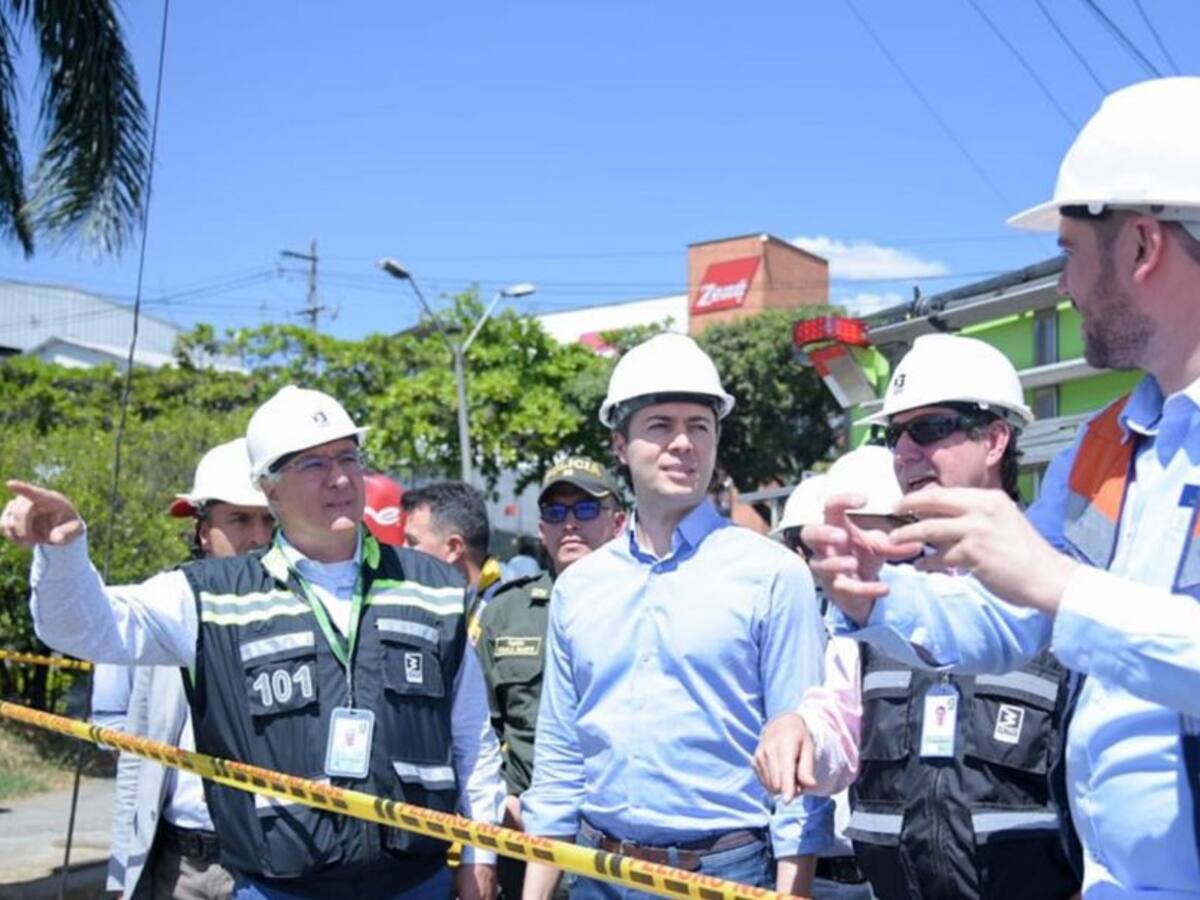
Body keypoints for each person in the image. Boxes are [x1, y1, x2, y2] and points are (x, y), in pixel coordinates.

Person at [797, 77, 1200, 898]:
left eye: (1070, 252)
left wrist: (1061, 585)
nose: (1064, 286)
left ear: (1143, 247)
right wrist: (878, 598)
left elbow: (1051, 593)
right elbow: (1011, 620)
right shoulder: (1108, 443)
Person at [2, 385, 504, 900]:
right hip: (278, 888)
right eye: (312, 465)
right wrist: (63, 550)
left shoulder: (435, 588)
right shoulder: (209, 595)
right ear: (269, 488)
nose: (339, 478)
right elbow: (81, 628)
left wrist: (480, 853)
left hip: (417, 883)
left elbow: (471, 736)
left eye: (348, 457)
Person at [520, 333, 841, 900]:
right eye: (660, 426)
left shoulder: (772, 575)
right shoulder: (580, 588)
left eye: (699, 425)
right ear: (620, 445)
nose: (683, 444)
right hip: (597, 871)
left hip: (726, 873)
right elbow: (560, 758)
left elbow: (799, 770)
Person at [762, 355, 1081, 900]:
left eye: (929, 429)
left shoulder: (1061, 586)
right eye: (895, 434)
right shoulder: (879, 596)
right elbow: (838, 729)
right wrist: (800, 734)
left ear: (996, 438)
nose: (905, 453)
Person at [93, 438, 275, 900]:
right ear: (201, 530)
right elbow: (117, 731)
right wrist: (124, 870)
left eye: (268, 519)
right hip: (179, 867)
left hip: (272, 865)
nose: (258, 536)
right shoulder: (158, 612)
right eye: (239, 519)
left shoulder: (303, 613)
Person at [476, 456, 625, 899]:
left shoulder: (647, 605)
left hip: (618, 844)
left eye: (585, 509)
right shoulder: (505, 612)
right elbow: (477, 729)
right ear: (542, 529)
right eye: (556, 513)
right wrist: (501, 803)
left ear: (617, 522)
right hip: (526, 840)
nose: (570, 524)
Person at [771, 470, 871, 900]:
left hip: (876, 869)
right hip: (798, 865)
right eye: (808, 545)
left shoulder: (876, 632)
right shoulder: (774, 636)